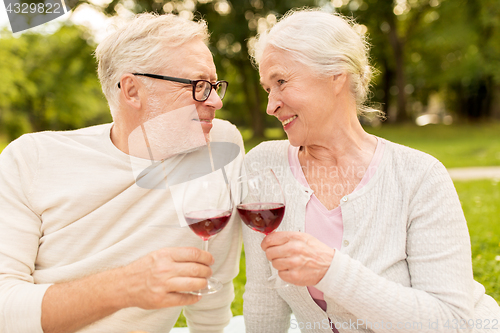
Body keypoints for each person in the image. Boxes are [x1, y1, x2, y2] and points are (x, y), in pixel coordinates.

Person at [242, 9, 500, 333]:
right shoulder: (264, 167)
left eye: (281, 81)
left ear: (336, 75)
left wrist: (331, 271)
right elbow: (263, 299)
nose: (271, 105)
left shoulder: (419, 176)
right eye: (268, 88)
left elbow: (449, 323)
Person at [0, 13, 244, 333]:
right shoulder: (30, 159)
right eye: (198, 86)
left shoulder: (219, 145)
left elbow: (214, 283)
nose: (215, 101)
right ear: (132, 90)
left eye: (214, 86)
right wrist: (126, 286)